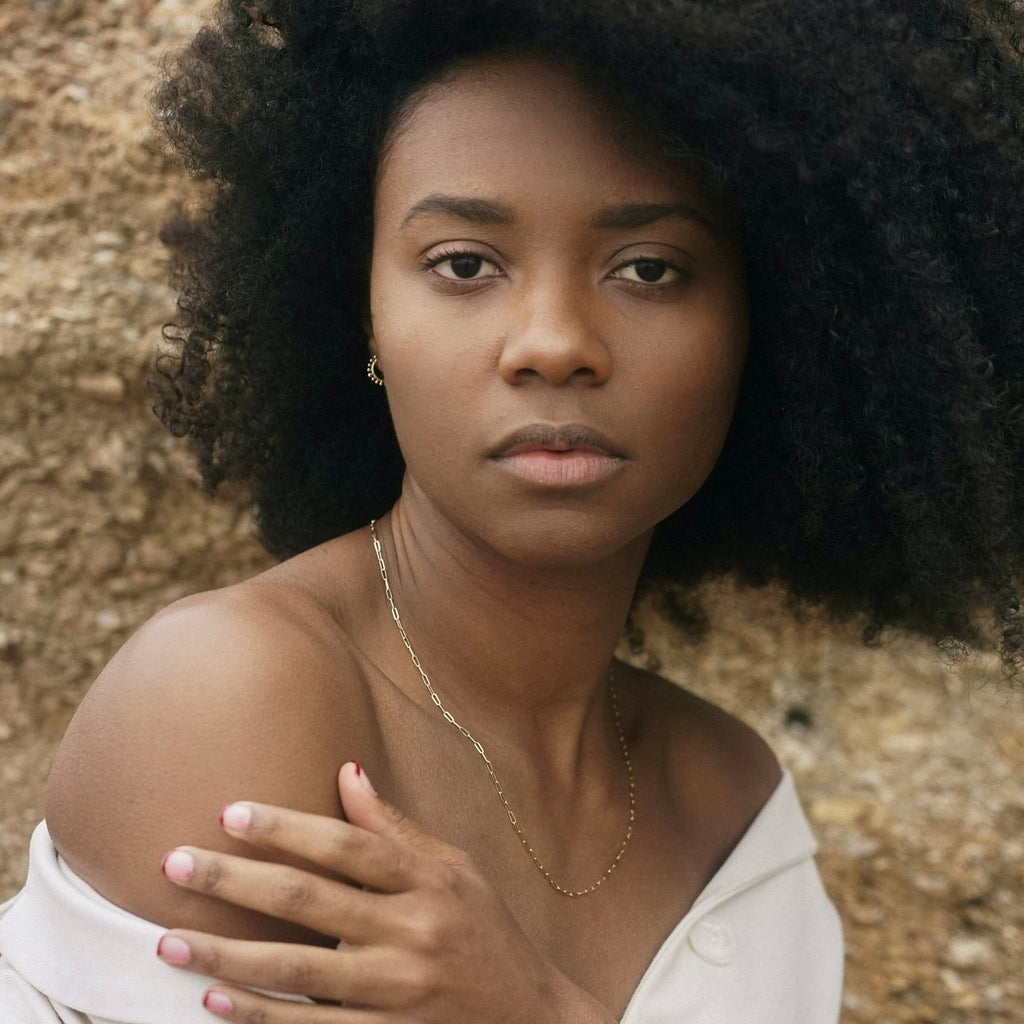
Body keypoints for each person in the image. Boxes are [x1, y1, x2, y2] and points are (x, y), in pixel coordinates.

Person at [2, 0, 1024, 1020]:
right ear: (363, 312)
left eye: (649, 269)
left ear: (773, 323)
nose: (552, 341)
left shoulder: (732, 809)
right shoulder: (233, 693)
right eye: (463, 264)